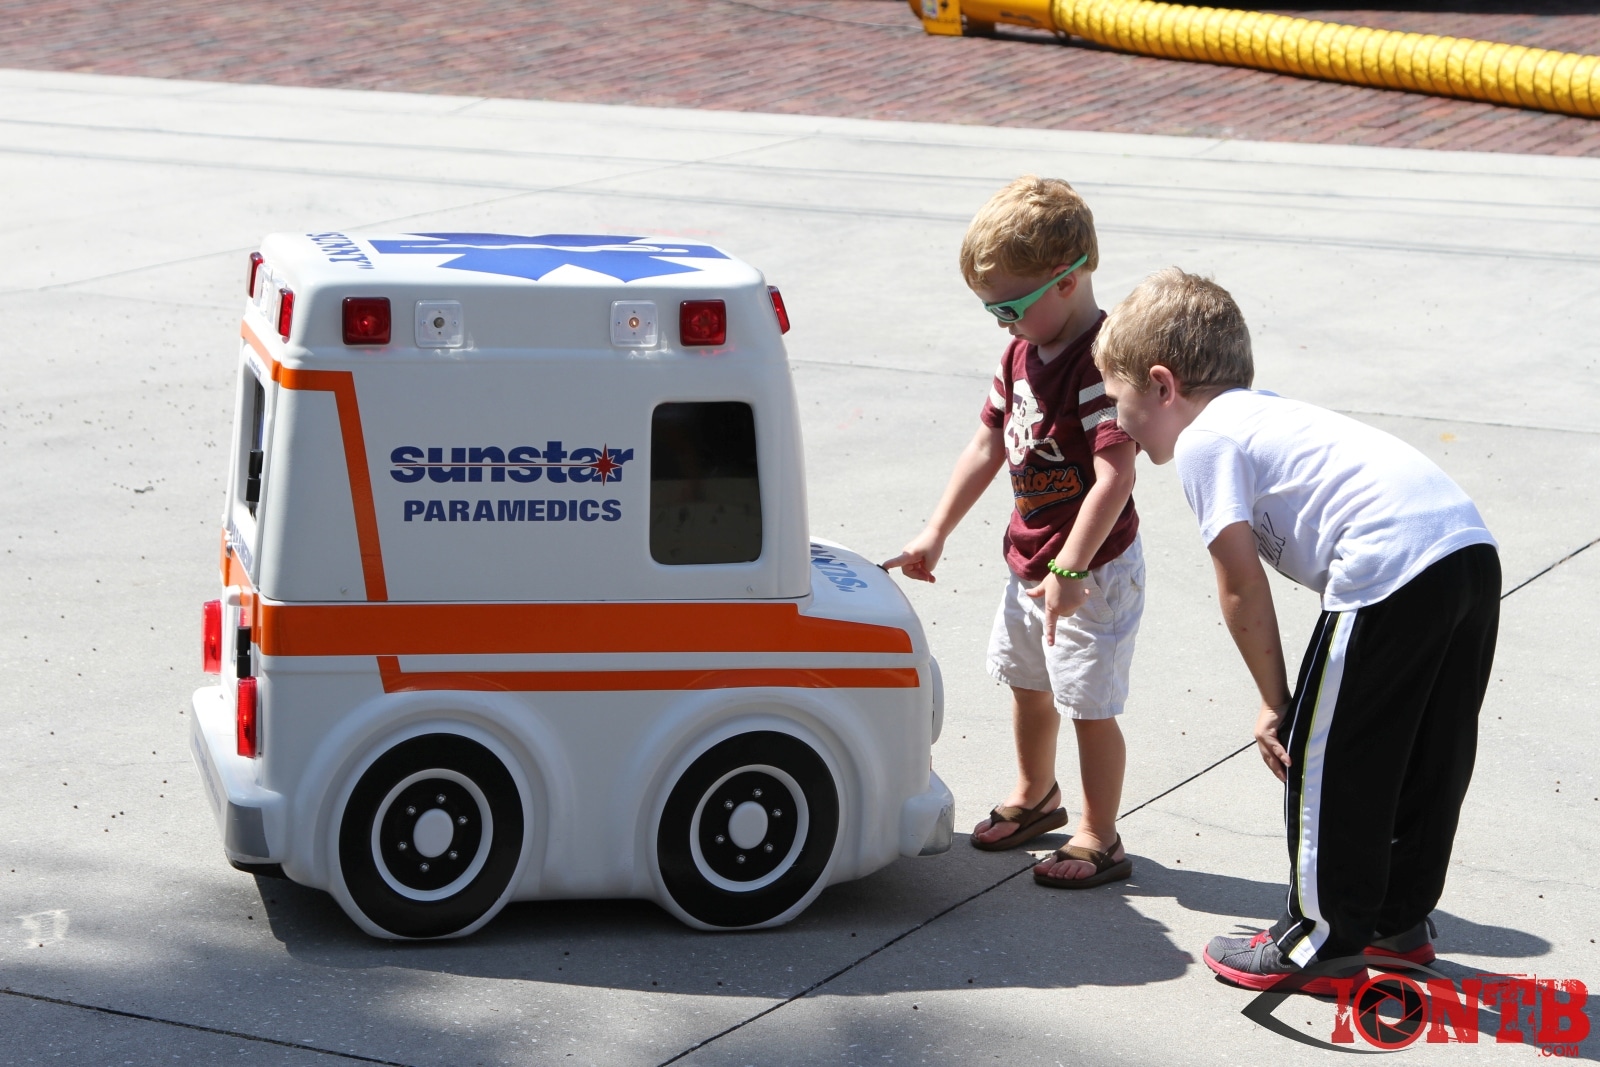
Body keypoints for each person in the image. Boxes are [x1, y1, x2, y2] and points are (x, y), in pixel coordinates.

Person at [1094, 267, 1499, 991]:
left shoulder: (1205, 440)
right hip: (1467, 551)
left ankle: (1320, 940)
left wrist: (1277, 700)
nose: (1115, 420)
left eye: (1116, 397)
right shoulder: (1265, 414)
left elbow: (1240, 583)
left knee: (1326, 759)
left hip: (1389, 567)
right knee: (1427, 750)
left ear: (1161, 385)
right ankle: (1396, 920)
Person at [883, 175, 1143, 890]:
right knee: (1028, 685)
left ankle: (1099, 833)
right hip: (1030, 560)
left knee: (1087, 703)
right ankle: (1036, 793)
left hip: (1092, 572)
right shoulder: (1021, 352)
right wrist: (935, 530)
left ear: (1068, 280)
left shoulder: (1100, 364)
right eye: (990, 309)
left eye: (1010, 306)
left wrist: (1073, 568)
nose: (1001, 323)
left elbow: (1116, 476)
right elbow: (987, 444)